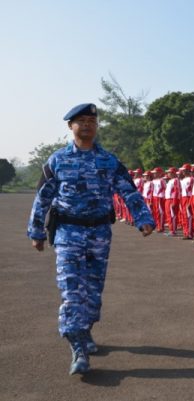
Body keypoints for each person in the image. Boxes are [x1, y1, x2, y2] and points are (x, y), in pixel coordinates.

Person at [27, 103, 155, 375]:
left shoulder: (109, 161)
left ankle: (85, 330)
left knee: (93, 293)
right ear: (70, 127)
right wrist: (36, 231)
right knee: (72, 291)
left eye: (91, 121)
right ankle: (78, 347)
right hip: (67, 233)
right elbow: (43, 198)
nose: (87, 125)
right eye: (81, 121)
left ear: (96, 127)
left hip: (99, 233)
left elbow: (128, 191)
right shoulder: (57, 160)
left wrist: (143, 218)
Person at [179, 164, 194, 240]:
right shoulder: (183, 180)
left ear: (188, 170)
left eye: (184, 170)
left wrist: (190, 202)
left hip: (188, 198)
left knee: (189, 216)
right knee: (184, 215)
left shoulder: (191, 179)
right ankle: (185, 232)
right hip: (183, 198)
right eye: (182, 170)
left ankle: (189, 233)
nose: (183, 172)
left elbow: (192, 192)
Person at [164, 167, 181, 236]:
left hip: (172, 199)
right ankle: (171, 230)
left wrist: (174, 201)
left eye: (169, 172)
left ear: (173, 173)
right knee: (169, 215)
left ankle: (173, 231)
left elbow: (176, 191)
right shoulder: (170, 181)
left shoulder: (176, 180)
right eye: (168, 172)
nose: (168, 174)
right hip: (168, 199)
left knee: (172, 215)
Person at [151, 167, 166, 232]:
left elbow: (165, 189)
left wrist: (163, 197)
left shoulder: (162, 180)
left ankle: (161, 226)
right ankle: (157, 225)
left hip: (160, 197)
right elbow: (152, 190)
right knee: (156, 212)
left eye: (155, 173)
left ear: (160, 173)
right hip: (154, 197)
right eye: (154, 173)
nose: (154, 174)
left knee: (161, 212)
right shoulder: (153, 181)